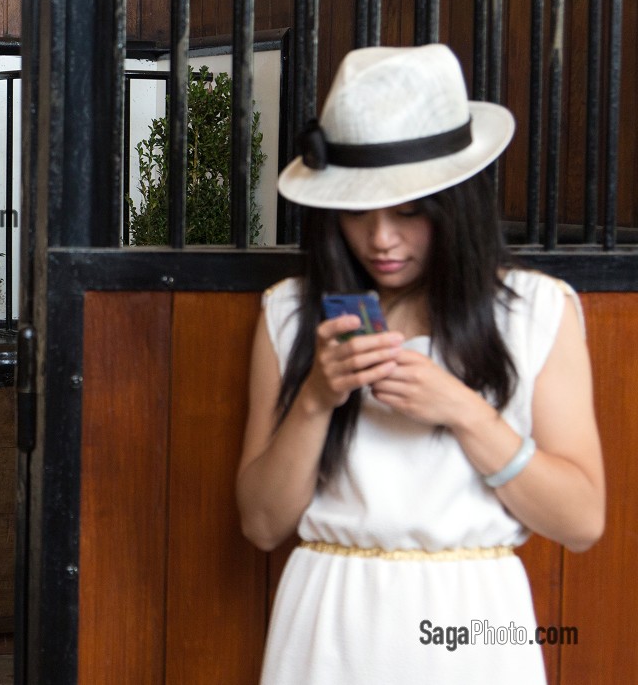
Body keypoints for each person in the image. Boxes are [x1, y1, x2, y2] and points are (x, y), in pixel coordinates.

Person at [236, 45, 605, 685]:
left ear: (454, 204)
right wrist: (318, 399)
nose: (381, 238)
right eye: (356, 210)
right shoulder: (292, 315)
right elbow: (263, 525)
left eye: (409, 212)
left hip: (475, 620)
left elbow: (581, 522)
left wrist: (463, 410)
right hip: (329, 623)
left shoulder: (538, 313)